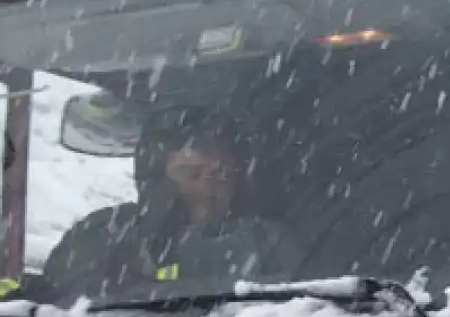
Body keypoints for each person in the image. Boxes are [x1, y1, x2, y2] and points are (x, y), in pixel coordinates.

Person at [41, 108, 294, 304]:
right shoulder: (104, 233)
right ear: (157, 169)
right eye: (194, 167)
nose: (213, 171)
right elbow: (65, 311)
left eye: (223, 163)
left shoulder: (270, 241)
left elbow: (300, 310)